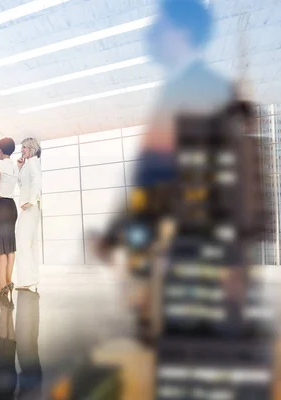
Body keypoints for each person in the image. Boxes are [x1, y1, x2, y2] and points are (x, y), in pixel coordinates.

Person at [97, 0, 233, 342]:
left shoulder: (201, 88)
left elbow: (170, 174)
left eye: (161, 24)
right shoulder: (182, 88)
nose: (152, 33)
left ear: (182, 32)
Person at [0, 137, 18, 297]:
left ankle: (1, 286)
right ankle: (8, 281)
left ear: (0, 150)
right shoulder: (14, 167)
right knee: (10, 247)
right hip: (11, 207)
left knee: (1, 248)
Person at [15, 137, 42, 291]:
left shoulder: (33, 163)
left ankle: (26, 279)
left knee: (22, 241)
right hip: (30, 207)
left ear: (31, 148)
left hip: (30, 207)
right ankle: (31, 277)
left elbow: (37, 181)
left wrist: (31, 201)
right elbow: (23, 184)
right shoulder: (28, 164)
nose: (22, 150)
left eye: (24, 147)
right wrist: (19, 168)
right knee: (29, 242)